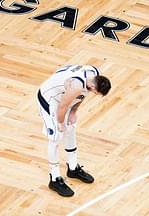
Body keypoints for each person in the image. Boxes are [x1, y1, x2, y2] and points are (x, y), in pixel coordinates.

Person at [37, 64, 111, 197]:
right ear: (94, 87)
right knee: (56, 137)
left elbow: (83, 94)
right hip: (50, 99)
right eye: (96, 93)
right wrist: (59, 123)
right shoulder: (76, 85)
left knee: (71, 128)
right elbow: (62, 106)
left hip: (64, 96)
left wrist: (74, 111)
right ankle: (54, 179)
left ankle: (73, 168)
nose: (94, 94)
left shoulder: (94, 74)